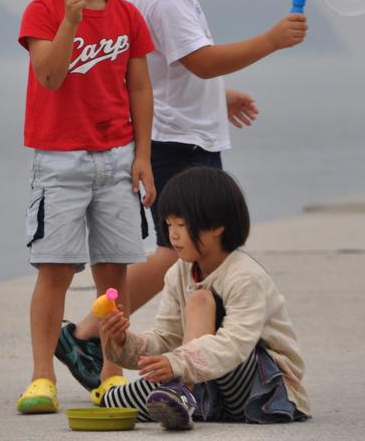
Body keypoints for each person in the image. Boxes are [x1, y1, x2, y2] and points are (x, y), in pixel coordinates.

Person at [56, 0, 307, 384]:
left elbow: (175, 69)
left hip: (183, 133)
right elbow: (200, 59)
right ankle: (84, 334)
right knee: (177, 250)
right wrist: (271, 40)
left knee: (181, 250)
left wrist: (219, 96)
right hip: (177, 142)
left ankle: (101, 335)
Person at [15, 0, 157, 414]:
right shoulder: (43, 11)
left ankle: (111, 373)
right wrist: (72, 20)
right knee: (54, 269)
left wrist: (143, 156)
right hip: (60, 161)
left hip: (118, 158)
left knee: (113, 274)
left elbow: (140, 90)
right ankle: (41, 378)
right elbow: (49, 76)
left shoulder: (126, 15)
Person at [97, 167, 310, 429]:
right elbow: (167, 338)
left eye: (182, 225)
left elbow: (235, 344)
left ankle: (180, 392)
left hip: (260, 385)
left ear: (217, 226)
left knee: (200, 300)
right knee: (113, 402)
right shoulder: (178, 272)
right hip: (204, 379)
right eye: (169, 223)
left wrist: (177, 364)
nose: (172, 234)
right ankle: (181, 396)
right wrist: (122, 341)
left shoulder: (245, 276)